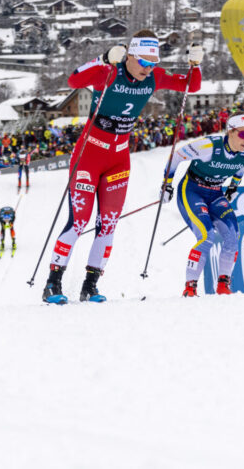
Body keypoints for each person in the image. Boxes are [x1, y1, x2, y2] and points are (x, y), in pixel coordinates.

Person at [40, 30, 203, 304]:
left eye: (153, 62)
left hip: (118, 157)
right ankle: (52, 283)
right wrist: (103, 59)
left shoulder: (154, 77)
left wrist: (195, 65)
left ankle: (90, 285)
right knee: (79, 221)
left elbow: (191, 86)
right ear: (129, 56)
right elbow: (74, 79)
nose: (148, 68)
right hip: (89, 152)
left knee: (108, 224)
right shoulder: (110, 72)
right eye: (143, 62)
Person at [162, 113, 244, 297]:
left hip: (215, 193)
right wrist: (167, 184)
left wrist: (233, 187)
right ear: (230, 131)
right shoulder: (208, 146)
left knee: (232, 237)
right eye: (243, 135)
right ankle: (190, 288)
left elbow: (240, 172)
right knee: (206, 236)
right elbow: (176, 157)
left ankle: (223, 286)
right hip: (192, 190)